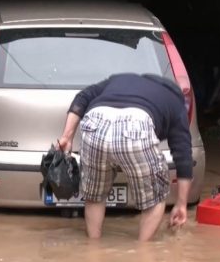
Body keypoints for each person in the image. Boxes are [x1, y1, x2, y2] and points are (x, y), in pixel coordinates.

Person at [57, 73, 193, 241]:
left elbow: (82, 97)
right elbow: (184, 155)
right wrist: (181, 204)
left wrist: (67, 136)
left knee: (94, 197)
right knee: (155, 201)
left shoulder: (119, 79)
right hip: (136, 125)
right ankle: (142, 254)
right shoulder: (176, 101)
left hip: (95, 121)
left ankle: (93, 250)